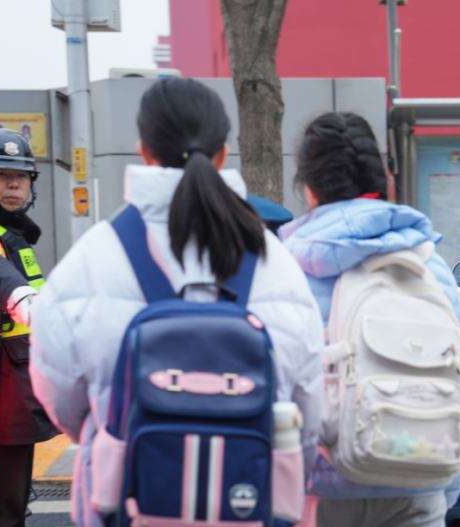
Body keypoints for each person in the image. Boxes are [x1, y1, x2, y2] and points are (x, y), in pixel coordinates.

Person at [29, 78, 325, 527]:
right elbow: (305, 405)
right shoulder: (275, 262)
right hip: (248, 501)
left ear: (144, 151)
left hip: (125, 504)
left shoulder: (93, 257)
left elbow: (60, 396)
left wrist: (113, 427)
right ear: (223, 153)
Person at [280, 112, 460, 527]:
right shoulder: (428, 263)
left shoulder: (286, 265)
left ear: (309, 186)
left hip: (318, 490)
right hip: (419, 479)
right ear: (380, 179)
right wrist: (443, 490)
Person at [0, 128, 59, 526]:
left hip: (11, 395)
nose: (14, 184)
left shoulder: (10, 232)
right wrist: (26, 302)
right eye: (1, 175)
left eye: (21, 176)